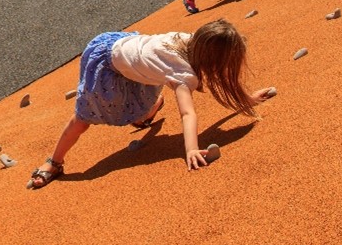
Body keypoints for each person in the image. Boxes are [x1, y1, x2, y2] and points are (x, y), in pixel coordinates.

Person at [28, 20, 271, 189]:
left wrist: (247, 99)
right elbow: (187, 113)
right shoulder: (183, 74)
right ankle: (54, 162)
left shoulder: (189, 41)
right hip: (106, 62)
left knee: (142, 104)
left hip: (130, 56)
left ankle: (146, 112)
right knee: (82, 119)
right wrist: (191, 150)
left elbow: (216, 79)